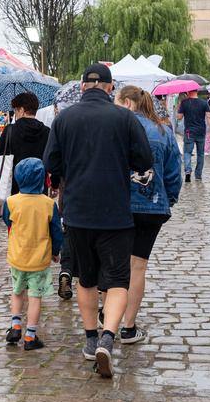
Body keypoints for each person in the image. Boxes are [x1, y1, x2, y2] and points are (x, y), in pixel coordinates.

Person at [43, 63, 154, 377]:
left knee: (86, 279)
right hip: (115, 213)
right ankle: (109, 336)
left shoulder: (63, 118)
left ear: (82, 87)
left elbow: (51, 162)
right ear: (109, 87)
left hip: (77, 213)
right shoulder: (124, 117)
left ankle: (91, 340)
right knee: (118, 281)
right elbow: (144, 160)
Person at [114, 85, 182, 343]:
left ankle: (108, 314)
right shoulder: (164, 131)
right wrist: (169, 200)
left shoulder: (118, 129)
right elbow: (174, 173)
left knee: (115, 265)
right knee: (138, 267)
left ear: (129, 104)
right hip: (154, 206)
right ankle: (129, 327)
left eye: (118, 103)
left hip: (122, 205)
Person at [3, 158, 63, 351]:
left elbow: (8, 221)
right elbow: (56, 231)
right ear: (42, 179)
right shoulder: (48, 204)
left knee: (17, 290)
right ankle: (30, 336)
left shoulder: (11, 202)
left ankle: (15, 325)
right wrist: (55, 252)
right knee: (35, 296)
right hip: (39, 260)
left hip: (18, 257)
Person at [0, 92, 56, 196]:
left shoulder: (10, 130)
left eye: (16, 111)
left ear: (21, 110)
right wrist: (54, 184)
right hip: (39, 187)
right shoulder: (47, 132)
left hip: (15, 189)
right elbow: (53, 160)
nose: (15, 114)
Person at [177, 91, 210, 182]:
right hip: (201, 131)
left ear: (188, 92)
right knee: (200, 153)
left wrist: (179, 109)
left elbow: (179, 117)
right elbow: (209, 117)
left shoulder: (184, 102)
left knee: (187, 152)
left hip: (189, 132)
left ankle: (187, 171)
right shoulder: (203, 103)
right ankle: (198, 175)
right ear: (197, 91)